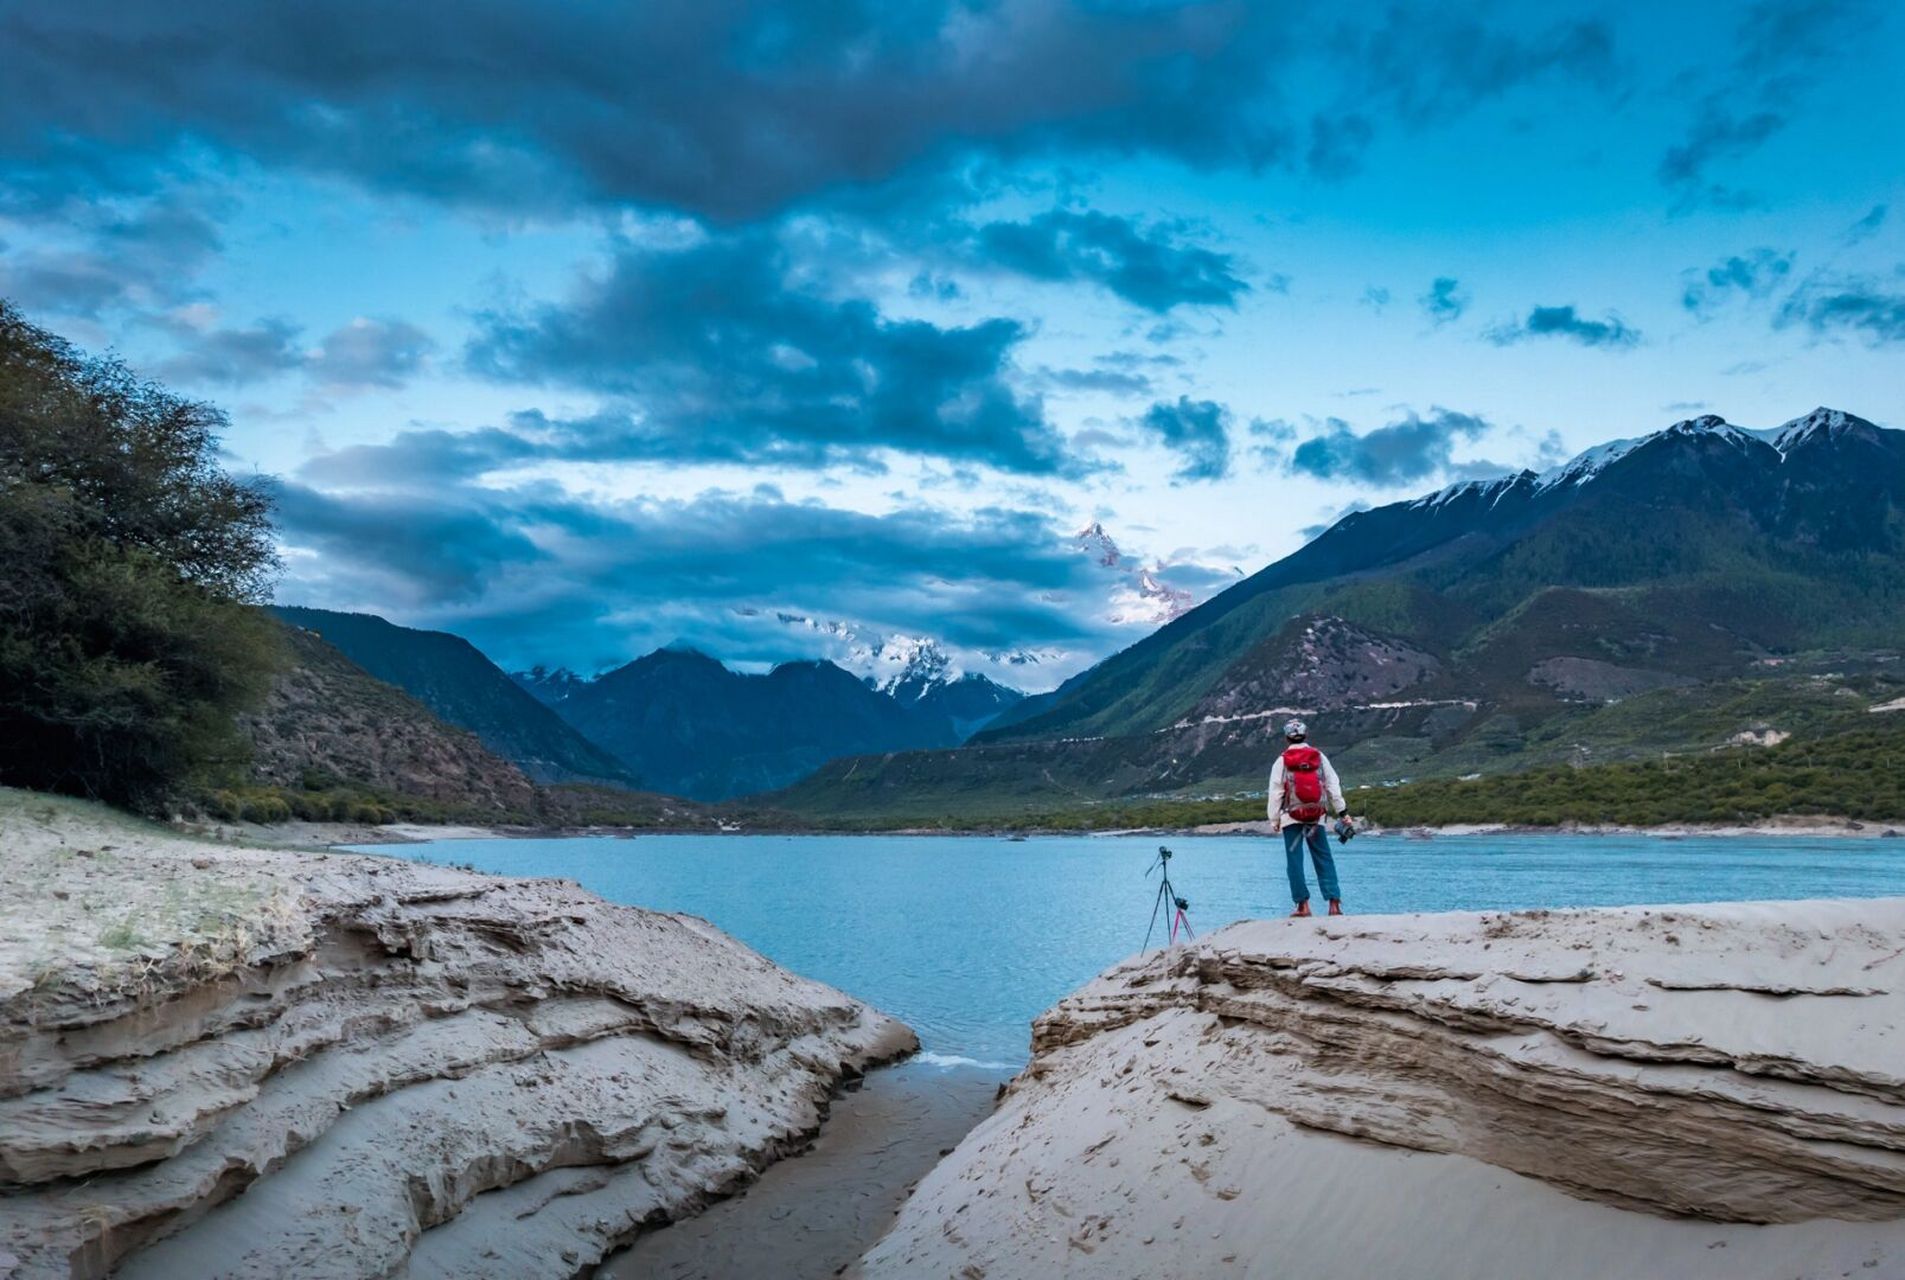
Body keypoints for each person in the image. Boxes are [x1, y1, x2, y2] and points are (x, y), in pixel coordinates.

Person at [1268, 719, 1349, 917]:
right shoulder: (1319, 757)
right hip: (1316, 816)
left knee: (1294, 861)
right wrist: (1343, 812)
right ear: (1306, 735)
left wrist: (1274, 820)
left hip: (1291, 817)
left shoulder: (1282, 760)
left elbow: (1275, 792)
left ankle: (1302, 905)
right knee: (1323, 857)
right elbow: (1332, 785)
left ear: (1287, 737)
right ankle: (1334, 904)